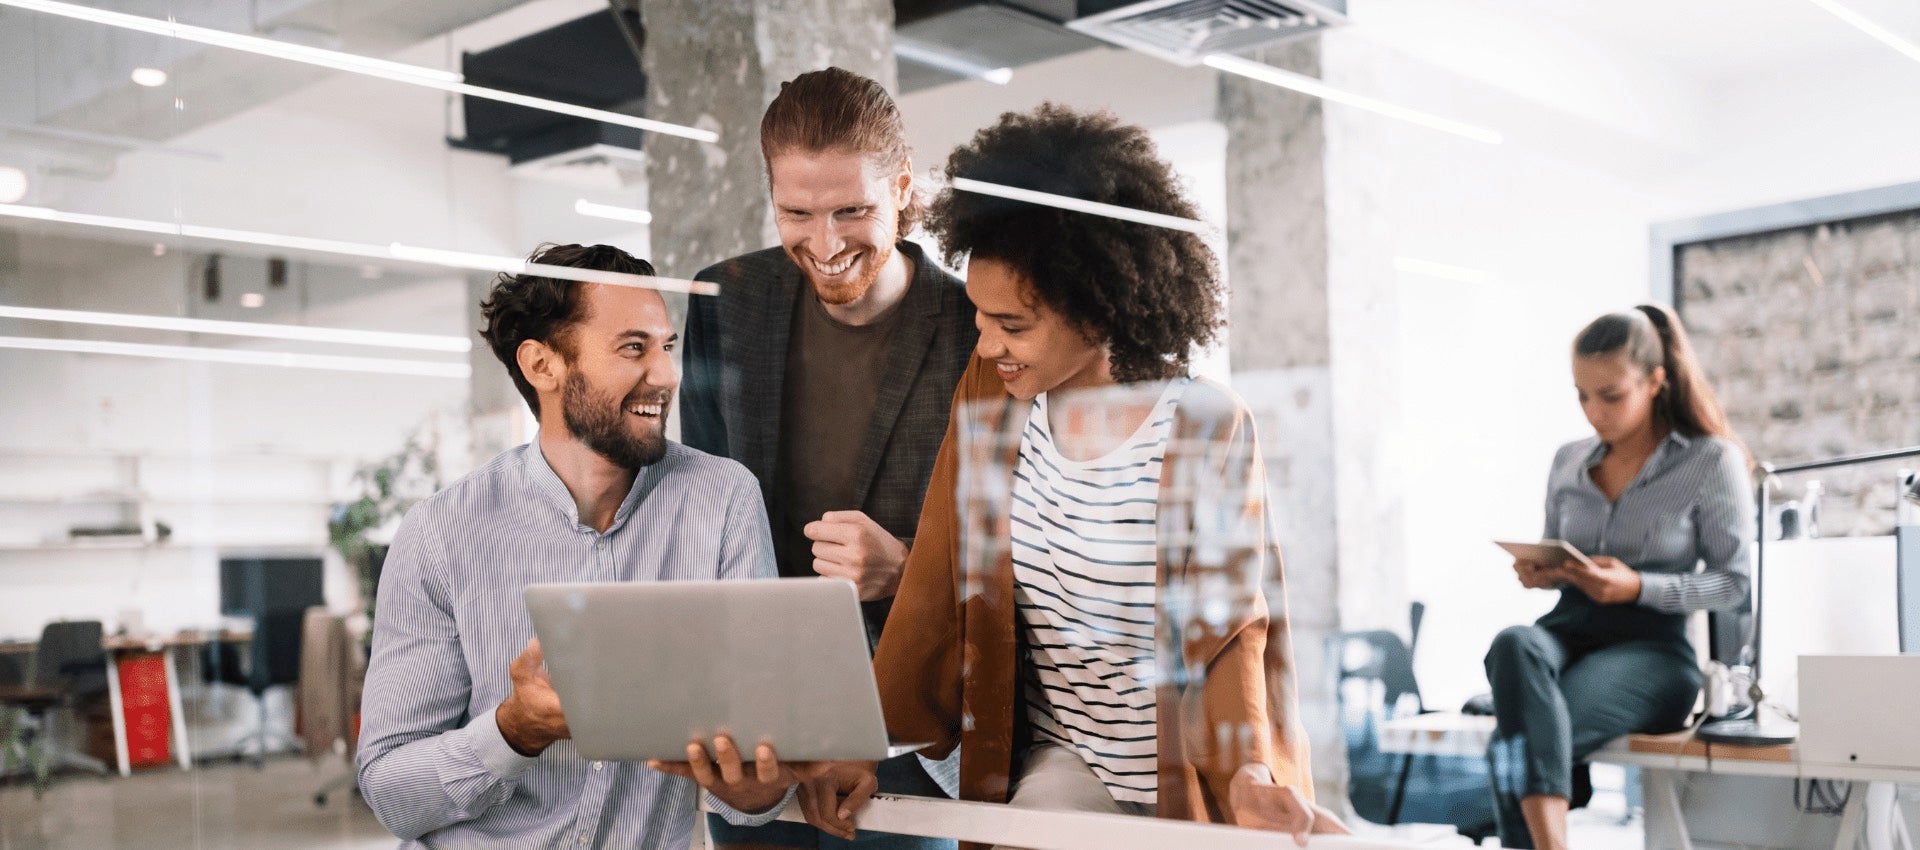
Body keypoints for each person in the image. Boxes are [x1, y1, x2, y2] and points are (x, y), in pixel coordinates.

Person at [783, 104, 1349, 848]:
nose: (985, 342)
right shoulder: (991, 399)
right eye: (981, 315)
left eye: (1013, 324)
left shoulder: (1204, 426)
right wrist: (865, 740)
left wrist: (1249, 777)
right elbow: (938, 578)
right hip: (1066, 764)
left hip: (1184, 772)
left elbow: (1231, 630)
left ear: (1098, 307)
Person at [356, 244, 795, 848]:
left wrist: (758, 786)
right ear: (542, 365)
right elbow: (391, 794)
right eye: (633, 348)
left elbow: (757, 784)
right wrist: (513, 731)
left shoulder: (722, 499)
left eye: (665, 347)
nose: (666, 375)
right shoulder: (440, 534)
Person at [678, 66, 975, 850]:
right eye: (797, 214)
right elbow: (699, 510)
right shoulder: (725, 301)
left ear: (903, 187)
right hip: (757, 732)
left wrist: (907, 570)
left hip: (907, 734)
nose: (827, 243)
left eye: (853, 210)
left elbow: (1020, 559)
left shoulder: (978, 328)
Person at [1484, 304, 1754, 850]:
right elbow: (1558, 561)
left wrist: (1639, 586)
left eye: (1611, 396)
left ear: (1655, 382)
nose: (1593, 412)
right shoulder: (1567, 462)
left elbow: (1736, 584)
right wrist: (1544, 573)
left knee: (1520, 734)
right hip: (1570, 630)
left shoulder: (1709, 461)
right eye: (1582, 395)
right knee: (1513, 645)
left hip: (1654, 649)